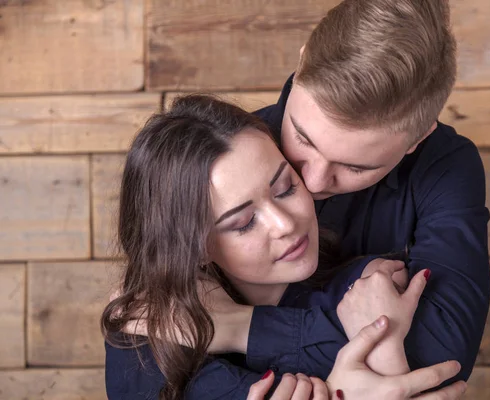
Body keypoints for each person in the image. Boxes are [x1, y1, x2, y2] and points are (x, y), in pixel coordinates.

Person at [200, 0, 490, 389]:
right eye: (303, 137)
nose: (314, 182)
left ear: (419, 138)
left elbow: (442, 350)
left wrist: (239, 328)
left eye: (356, 167)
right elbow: (144, 369)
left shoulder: (448, 165)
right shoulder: (219, 151)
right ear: (301, 64)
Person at [102, 95, 467, 399]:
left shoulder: (370, 288)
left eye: (287, 188)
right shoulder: (145, 328)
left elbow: (439, 366)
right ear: (193, 247)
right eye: (243, 222)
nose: (286, 224)